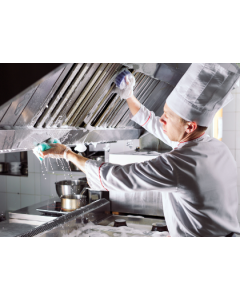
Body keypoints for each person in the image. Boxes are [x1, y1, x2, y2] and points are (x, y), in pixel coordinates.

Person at [38, 63, 240, 237]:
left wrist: (67, 153)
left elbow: (114, 177)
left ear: (190, 127)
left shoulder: (178, 164)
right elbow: (155, 125)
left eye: (168, 116)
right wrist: (129, 96)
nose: (162, 118)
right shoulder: (214, 147)